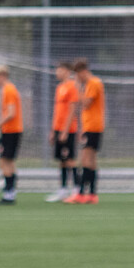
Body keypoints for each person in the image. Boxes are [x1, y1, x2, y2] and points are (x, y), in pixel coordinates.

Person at [66, 58, 105, 204]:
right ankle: (92, 194)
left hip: (93, 126)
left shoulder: (93, 83)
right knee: (91, 161)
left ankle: (81, 193)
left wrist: (77, 88)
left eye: (77, 74)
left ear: (82, 72)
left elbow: (86, 103)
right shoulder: (90, 83)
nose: (77, 78)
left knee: (85, 159)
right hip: (91, 126)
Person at [0, 65, 23, 205]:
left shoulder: (8, 90)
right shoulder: (8, 89)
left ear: (2, 76)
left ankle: (9, 193)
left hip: (12, 131)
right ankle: (11, 191)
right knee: (9, 161)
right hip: (12, 130)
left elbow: (11, 113)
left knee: (5, 161)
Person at [46, 61, 80, 202]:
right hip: (58, 129)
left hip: (69, 129)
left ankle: (77, 189)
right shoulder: (60, 87)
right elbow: (58, 112)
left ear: (66, 70)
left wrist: (65, 130)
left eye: (59, 70)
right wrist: (54, 130)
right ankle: (63, 189)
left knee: (70, 160)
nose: (56, 73)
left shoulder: (72, 86)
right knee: (62, 161)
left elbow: (72, 110)